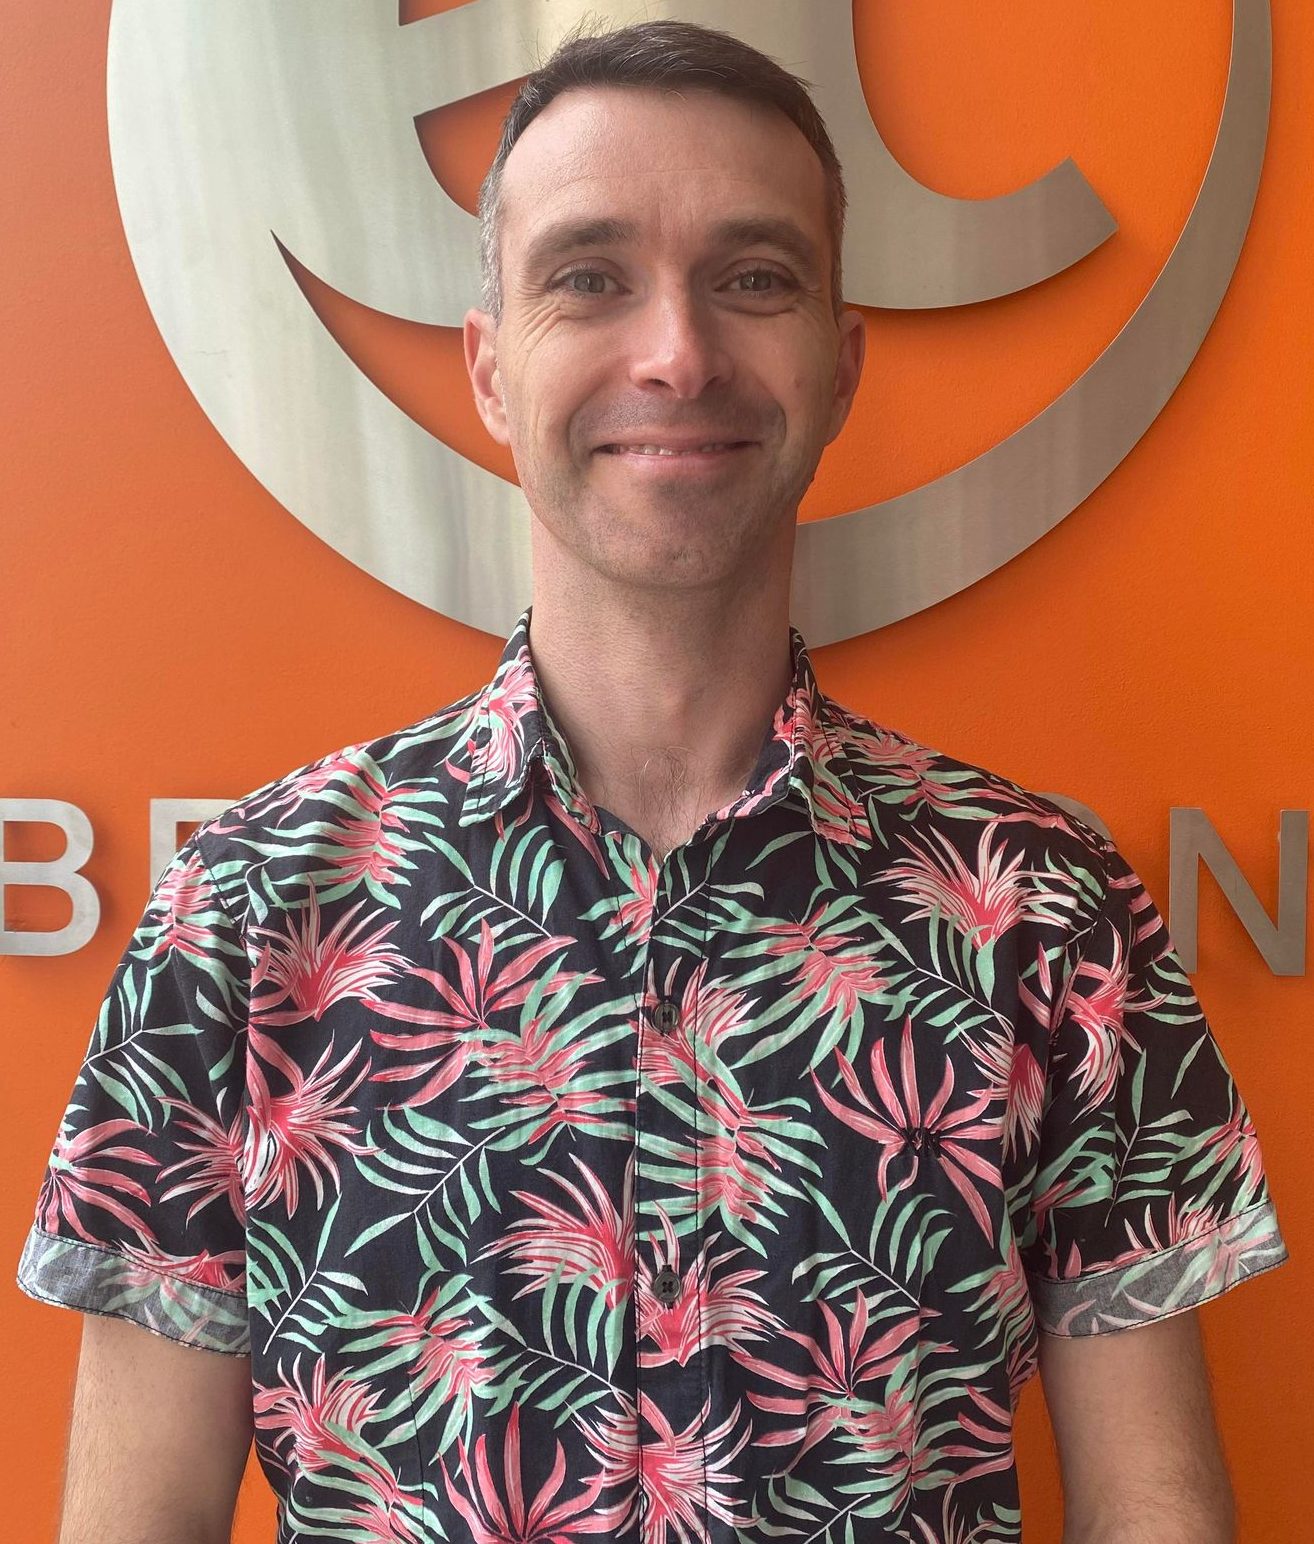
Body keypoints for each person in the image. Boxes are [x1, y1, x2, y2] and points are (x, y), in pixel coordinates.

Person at [18, 18, 1286, 1544]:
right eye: (587, 277)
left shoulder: (1042, 909)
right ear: (490, 369)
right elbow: (137, 1516)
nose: (677, 352)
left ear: (839, 366)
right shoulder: (246, 913)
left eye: (753, 278)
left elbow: (1154, 1509)